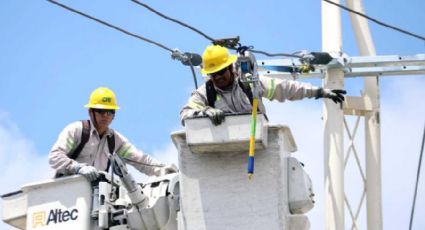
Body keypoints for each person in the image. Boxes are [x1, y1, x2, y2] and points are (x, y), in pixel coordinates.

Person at [180, 45, 346, 125]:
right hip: (225, 148)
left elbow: (286, 89)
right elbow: (185, 114)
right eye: (213, 74)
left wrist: (319, 92)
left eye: (221, 72)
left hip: (255, 141)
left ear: (230, 68)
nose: (218, 77)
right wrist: (205, 111)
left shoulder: (250, 85)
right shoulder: (205, 93)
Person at [49, 87, 177, 181]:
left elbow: (140, 159)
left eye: (110, 111)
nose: (105, 115)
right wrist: (78, 168)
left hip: (93, 199)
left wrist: (162, 170)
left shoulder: (115, 140)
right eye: (100, 111)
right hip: (67, 193)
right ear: (90, 112)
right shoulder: (77, 130)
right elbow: (55, 157)